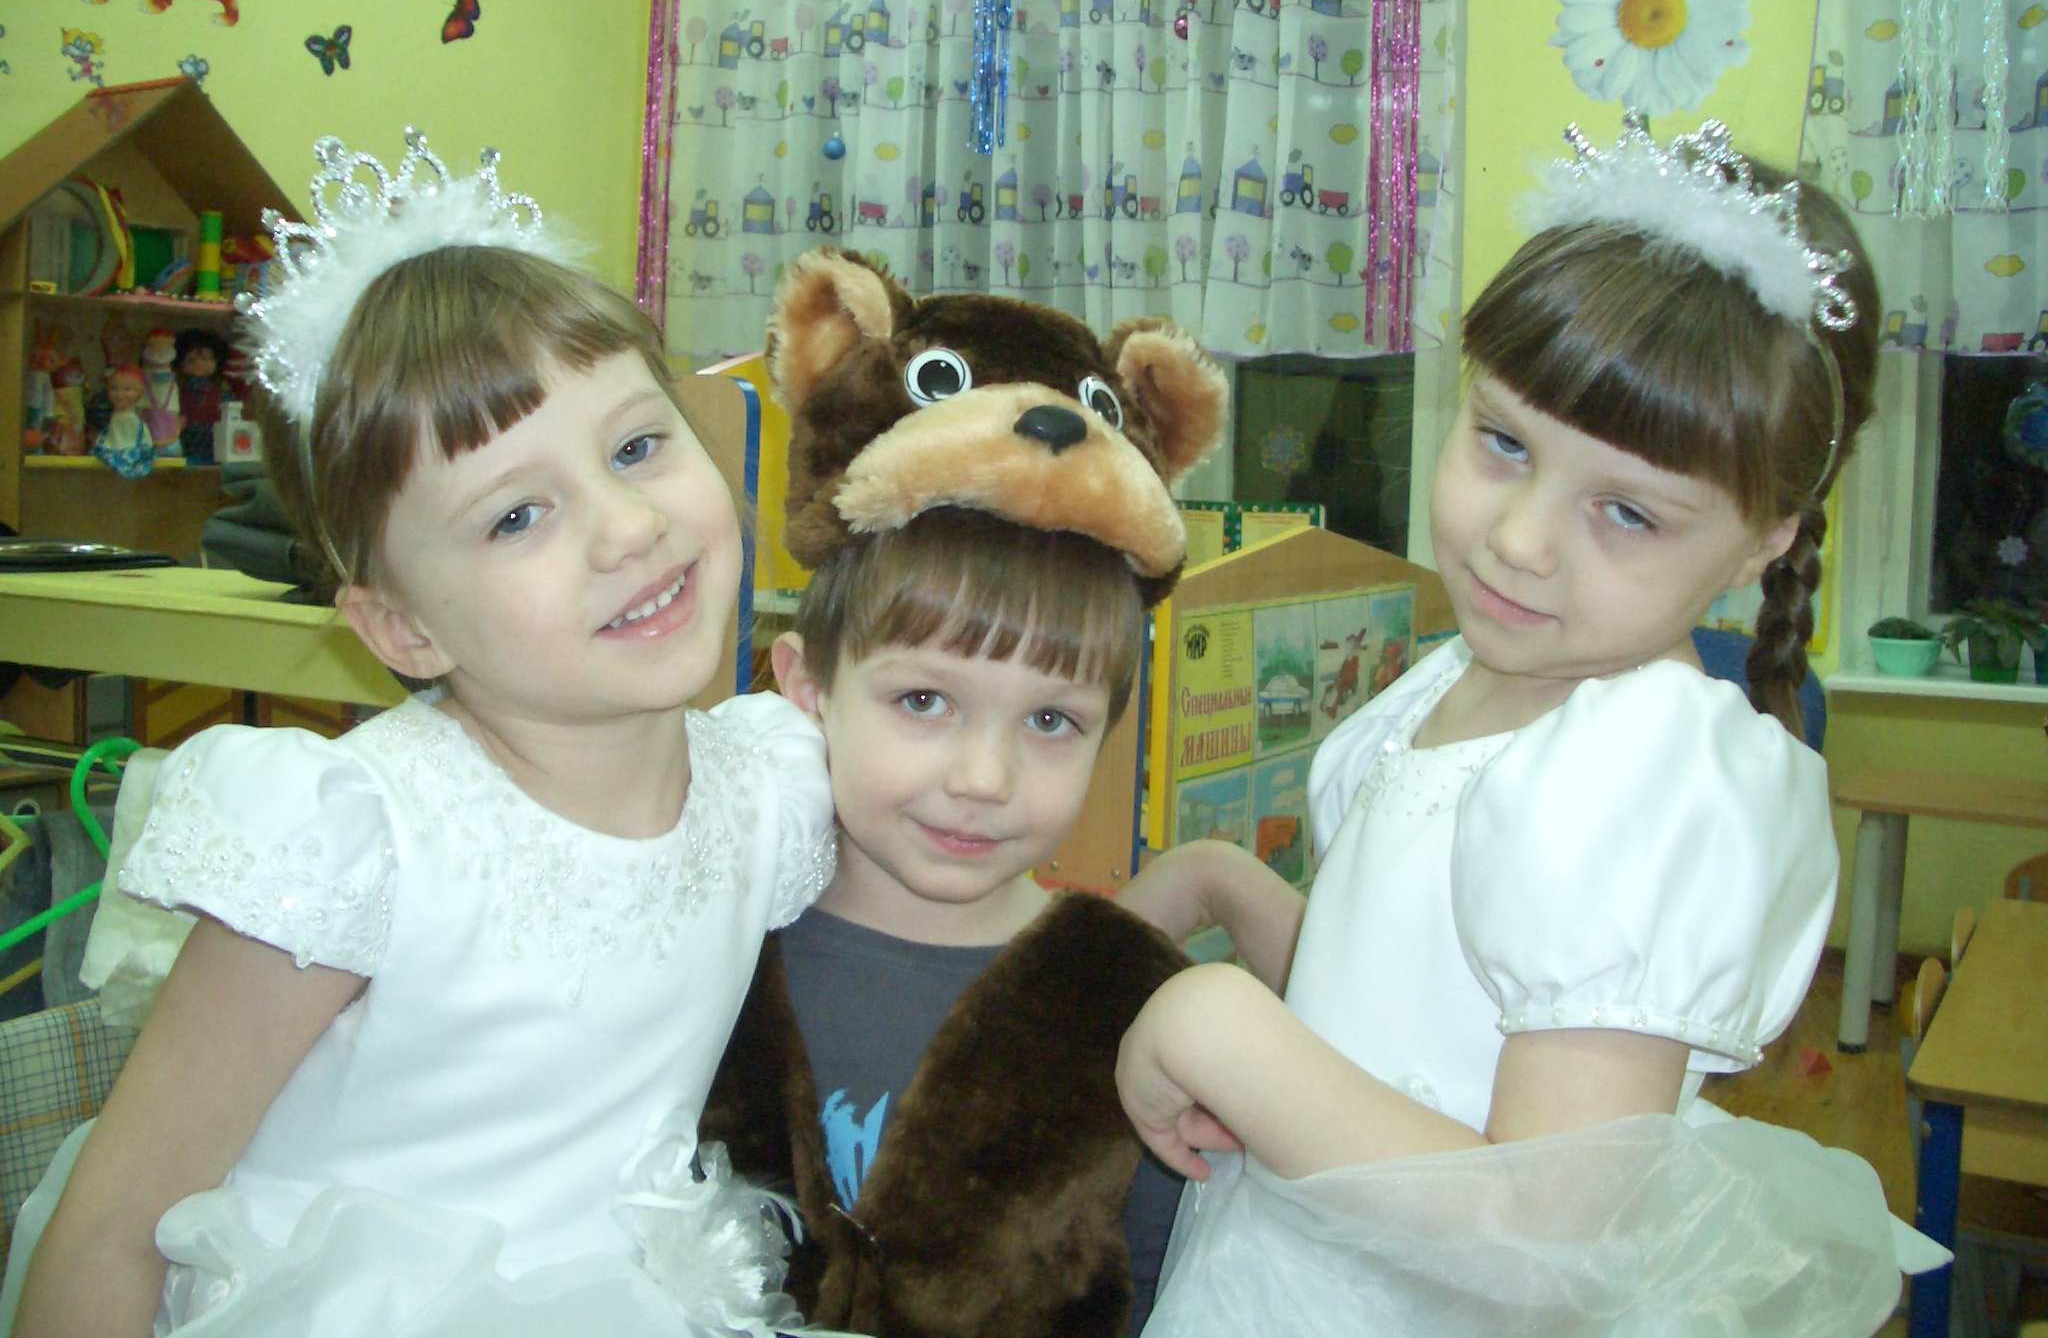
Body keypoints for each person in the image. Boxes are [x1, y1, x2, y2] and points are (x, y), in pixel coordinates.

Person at [11, 133, 836, 1338]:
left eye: (636, 446)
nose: (626, 527)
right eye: (515, 517)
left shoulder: (767, 785)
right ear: (402, 628)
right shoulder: (358, 845)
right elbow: (113, 1228)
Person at [1117, 120, 1928, 1337]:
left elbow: (1540, 1256)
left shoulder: (1638, 779)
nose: (1518, 540)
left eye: (1627, 513)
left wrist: (1210, 1025)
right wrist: (1234, 891)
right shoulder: (1467, 672)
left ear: (1762, 541)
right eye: (1502, 442)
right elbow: (1407, 1022)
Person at [698, 249, 1230, 1338]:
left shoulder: (1132, 1000)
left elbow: (1161, 1294)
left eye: (1050, 721)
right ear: (807, 688)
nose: (982, 780)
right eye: (925, 701)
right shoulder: (704, 942)